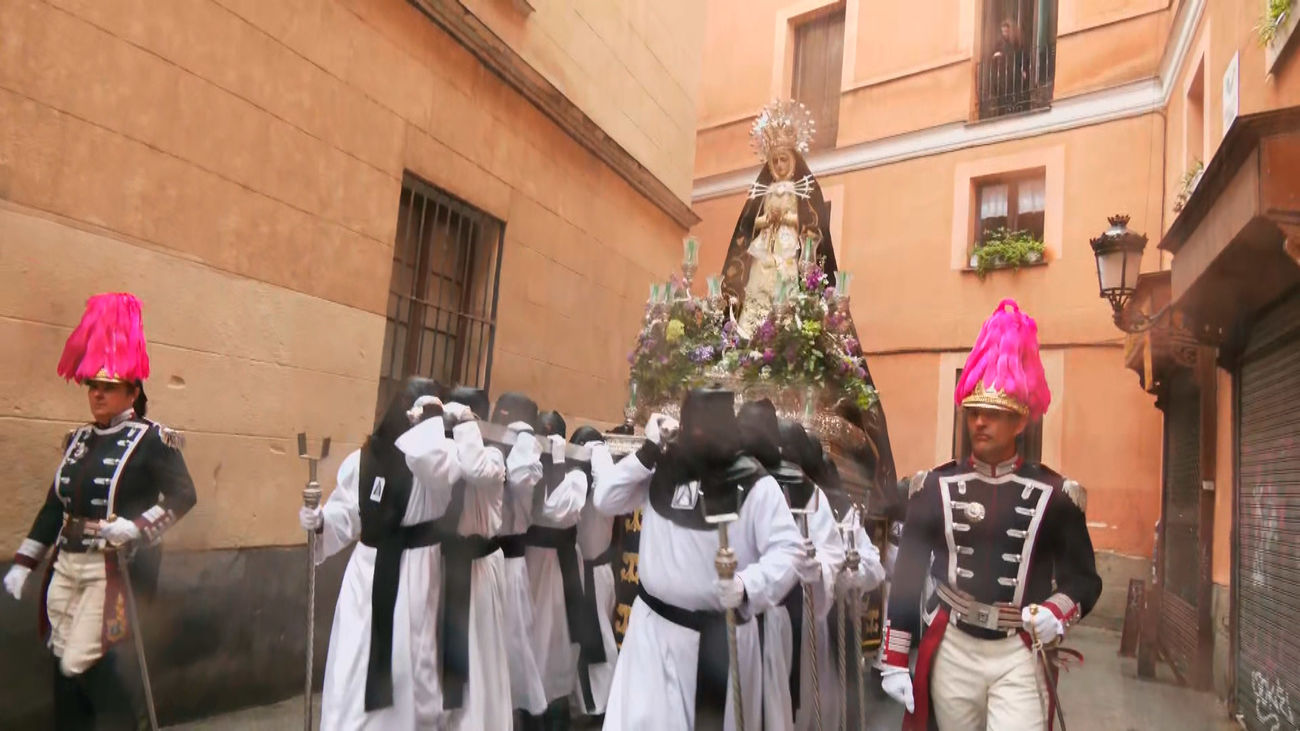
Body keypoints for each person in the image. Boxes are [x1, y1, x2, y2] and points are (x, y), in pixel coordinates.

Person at [880, 299, 1102, 730]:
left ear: (1020, 422)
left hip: (1019, 651)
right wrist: (893, 657)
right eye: (974, 413)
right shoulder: (933, 487)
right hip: (953, 647)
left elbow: (1084, 580)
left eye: (993, 415)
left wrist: (1056, 612)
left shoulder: (1056, 495)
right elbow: (907, 575)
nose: (979, 423)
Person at [3, 292, 197, 730]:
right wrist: (24, 563)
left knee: (79, 660)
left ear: (132, 390)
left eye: (108, 386)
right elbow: (56, 505)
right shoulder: (77, 440)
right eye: (93, 385)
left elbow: (185, 496)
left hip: (111, 571)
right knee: (61, 657)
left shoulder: (152, 440)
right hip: (66, 564)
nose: (97, 394)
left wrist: (137, 527)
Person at [596, 387, 803, 730]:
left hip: (718, 646)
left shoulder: (753, 484)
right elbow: (606, 500)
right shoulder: (661, 468)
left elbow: (789, 551)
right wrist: (647, 452)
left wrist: (747, 585)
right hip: (651, 634)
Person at [303, 377, 463, 730]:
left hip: (413, 576)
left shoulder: (437, 459)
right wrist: (319, 523)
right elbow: (345, 514)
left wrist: (431, 418)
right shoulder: (363, 460)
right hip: (365, 577)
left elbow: (434, 463)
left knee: (409, 670)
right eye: (408, 402)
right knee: (353, 665)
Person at [523, 410, 589, 729]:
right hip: (528, 566)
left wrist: (559, 461)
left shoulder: (577, 474)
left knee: (557, 649)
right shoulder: (528, 468)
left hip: (560, 571)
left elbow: (558, 509)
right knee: (529, 645)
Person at [490, 392, 551, 722]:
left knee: (515, 645)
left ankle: (524, 714)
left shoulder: (527, 459)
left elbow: (520, 477)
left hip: (512, 562)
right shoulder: (491, 449)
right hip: (485, 561)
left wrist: (522, 436)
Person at [570, 426, 620, 720]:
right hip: (585, 570)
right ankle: (590, 702)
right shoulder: (578, 486)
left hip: (594, 571)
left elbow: (608, 486)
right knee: (588, 639)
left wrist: (598, 452)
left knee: (598, 638)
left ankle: (598, 704)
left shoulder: (603, 490)